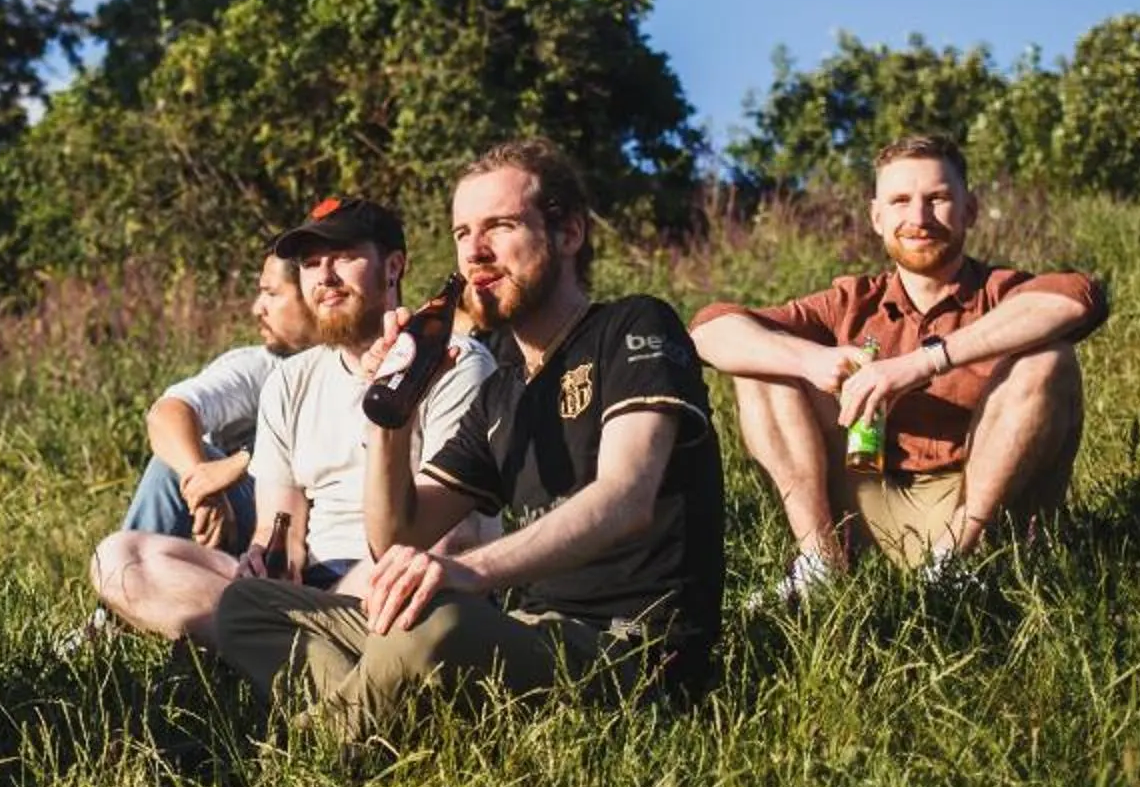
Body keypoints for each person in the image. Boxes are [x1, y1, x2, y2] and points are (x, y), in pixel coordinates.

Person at [214, 142, 727, 737]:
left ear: (568, 233)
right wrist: (391, 412)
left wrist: (471, 573)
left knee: (432, 621)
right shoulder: (503, 388)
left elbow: (627, 498)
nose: (475, 252)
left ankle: (316, 744)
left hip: (629, 650)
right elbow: (396, 535)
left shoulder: (632, 326)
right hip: (525, 634)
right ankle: (382, 712)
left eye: (500, 227)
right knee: (245, 608)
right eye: (462, 233)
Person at [690, 131, 1105, 595]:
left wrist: (923, 363)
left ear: (969, 210)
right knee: (763, 362)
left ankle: (952, 567)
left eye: (938, 199)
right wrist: (811, 359)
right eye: (901, 201)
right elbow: (708, 331)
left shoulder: (1003, 292)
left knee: (1049, 356)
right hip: (869, 500)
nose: (919, 218)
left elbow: (1075, 298)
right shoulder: (850, 301)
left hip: (983, 510)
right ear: (877, 217)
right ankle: (820, 564)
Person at [87, 196, 490, 650]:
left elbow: (451, 534)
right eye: (311, 264)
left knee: (418, 559)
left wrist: (313, 600)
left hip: (397, 576)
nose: (325, 276)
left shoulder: (451, 361)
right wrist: (265, 561)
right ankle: (305, 642)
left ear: (393, 267)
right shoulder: (290, 380)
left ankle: (270, 644)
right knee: (121, 557)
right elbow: (281, 526)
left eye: (342, 257)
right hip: (306, 591)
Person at [120, 246, 314, 547]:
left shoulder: (360, 362)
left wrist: (240, 463)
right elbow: (168, 414)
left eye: (272, 294)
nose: (257, 308)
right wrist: (205, 487)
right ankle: (128, 569)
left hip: (327, 528)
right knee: (171, 467)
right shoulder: (259, 368)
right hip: (258, 523)